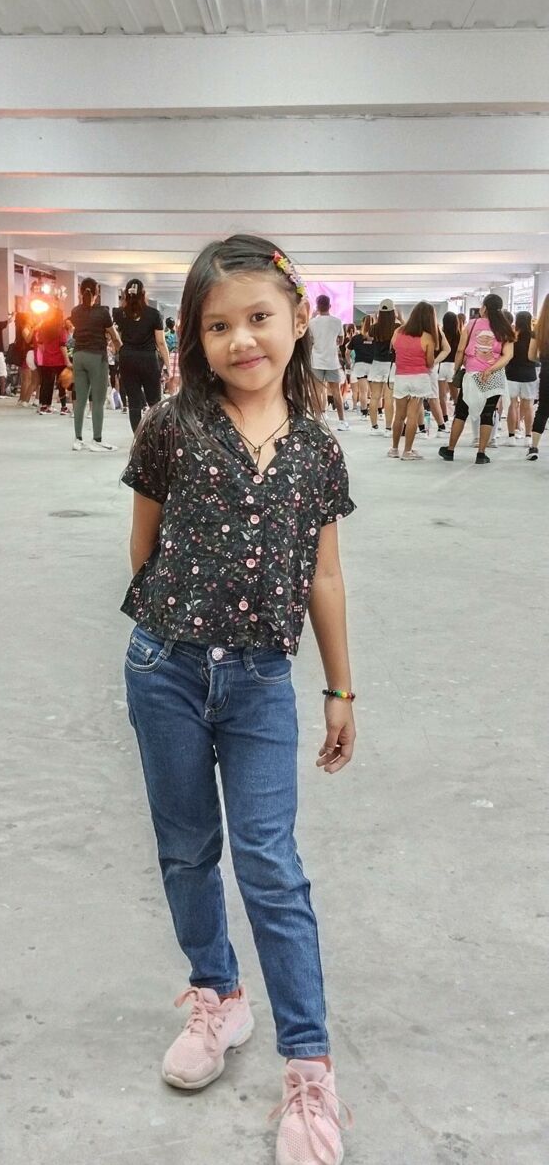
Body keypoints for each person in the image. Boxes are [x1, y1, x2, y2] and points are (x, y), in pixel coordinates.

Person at [121, 234, 355, 1164]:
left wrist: (339, 688)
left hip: (261, 683)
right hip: (166, 670)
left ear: (298, 320)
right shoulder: (170, 428)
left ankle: (310, 1064)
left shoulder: (317, 451)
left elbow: (324, 576)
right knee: (186, 848)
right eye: (217, 325)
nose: (241, 339)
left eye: (259, 317)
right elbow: (143, 547)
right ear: (195, 338)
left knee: (270, 863)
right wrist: (172, 626)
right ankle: (217, 996)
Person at [439, 295, 515, 465]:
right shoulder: (505, 328)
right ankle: (481, 454)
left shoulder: (472, 324)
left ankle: (450, 450)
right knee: (488, 413)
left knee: (461, 412)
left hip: (472, 375)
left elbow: (460, 350)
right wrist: (491, 369)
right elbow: (508, 355)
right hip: (494, 377)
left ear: (484, 308)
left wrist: (456, 369)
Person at [112, 279, 170, 434]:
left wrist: (121, 350)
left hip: (127, 359)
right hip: (148, 359)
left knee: (134, 403)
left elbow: (114, 337)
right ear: (143, 294)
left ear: (126, 294)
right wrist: (168, 365)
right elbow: (160, 342)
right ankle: (155, 436)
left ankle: (138, 438)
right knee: (154, 402)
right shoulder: (153, 314)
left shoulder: (119, 313)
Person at [70, 278, 121, 452]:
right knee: (98, 401)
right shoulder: (103, 312)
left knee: (80, 400)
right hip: (96, 356)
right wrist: (120, 349)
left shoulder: (75, 311)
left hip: (78, 355)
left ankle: (78, 439)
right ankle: (97, 439)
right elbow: (114, 336)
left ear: (80, 291)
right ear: (97, 292)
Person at [387, 302, 437, 461]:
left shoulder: (398, 332)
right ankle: (407, 451)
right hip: (419, 378)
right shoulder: (427, 337)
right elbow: (430, 362)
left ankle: (394, 449)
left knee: (399, 415)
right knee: (413, 416)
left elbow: (394, 350)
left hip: (401, 377)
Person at [308, 293, 349, 431]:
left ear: (317, 307)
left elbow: (310, 340)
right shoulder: (337, 321)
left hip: (316, 360)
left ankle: (318, 420)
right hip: (332, 361)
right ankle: (342, 421)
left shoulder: (311, 323)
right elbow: (341, 341)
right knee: (336, 392)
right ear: (330, 306)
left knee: (316, 392)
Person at [506, 311, 537, 444]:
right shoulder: (534, 336)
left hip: (511, 373)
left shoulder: (512, 335)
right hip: (529, 374)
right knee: (528, 405)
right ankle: (528, 437)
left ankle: (511, 437)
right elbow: (536, 356)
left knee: (512, 405)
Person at [34, 306, 71, 415]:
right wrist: (67, 361)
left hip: (47, 360)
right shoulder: (61, 330)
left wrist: (47, 352)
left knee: (46, 383)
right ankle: (63, 407)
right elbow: (62, 346)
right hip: (59, 360)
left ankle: (44, 406)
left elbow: (40, 344)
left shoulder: (43, 328)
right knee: (61, 384)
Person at [368, 300, 396, 435]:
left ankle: (374, 427)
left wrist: (375, 320)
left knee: (375, 397)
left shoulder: (374, 328)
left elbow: (370, 334)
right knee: (389, 398)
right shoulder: (397, 327)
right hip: (391, 364)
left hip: (376, 363)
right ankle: (388, 429)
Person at [527, 295, 549, 461]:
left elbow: (531, 356)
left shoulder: (539, 330)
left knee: (543, 410)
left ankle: (534, 447)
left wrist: (543, 361)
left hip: (546, 373)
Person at [346, 317, 374, 417]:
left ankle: (364, 413)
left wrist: (349, 363)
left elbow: (347, 352)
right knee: (374, 392)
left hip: (359, 365)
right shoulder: (376, 337)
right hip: (373, 365)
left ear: (362, 323)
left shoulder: (356, 338)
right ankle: (378, 412)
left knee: (363, 391)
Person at [438, 312, 460, 419]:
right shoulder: (459, 336)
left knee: (441, 395)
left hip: (441, 365)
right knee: (455, 394)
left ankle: (444, 417)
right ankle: (458, 414)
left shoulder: (440, 335)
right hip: (453, 366)